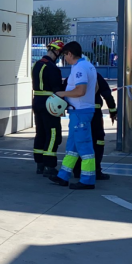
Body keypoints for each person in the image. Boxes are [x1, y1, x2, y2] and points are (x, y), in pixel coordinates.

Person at [49, 41, 97, 189]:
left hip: (80, 112)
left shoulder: (79, 68)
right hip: (81, 110)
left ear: (70, 54)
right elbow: (95, 87)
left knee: (84, 146)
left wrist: (62, 94)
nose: (65, 59)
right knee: (73, 146)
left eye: (65, 55)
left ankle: (88, 180)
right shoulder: (88, 65)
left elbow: (80, 90)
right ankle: (63, 176)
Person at [71, 72, 117, 180]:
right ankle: (95, 170)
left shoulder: (74, 75)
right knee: (98, 141)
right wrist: (112, 110)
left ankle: (77, 170)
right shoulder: (95, 75)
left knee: (79, 140)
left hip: (79, 113)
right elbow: (106, 93)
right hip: (94, 113)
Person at [32, 39, 65, 177]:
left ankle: (39, 164)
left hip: (37, 101)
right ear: (56, 51)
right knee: (52, 134)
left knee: (40, 133)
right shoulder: (52, 68)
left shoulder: (37, 65)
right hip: (50, 103)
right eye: (60, 52)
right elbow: (57, 89)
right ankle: (49, 166)